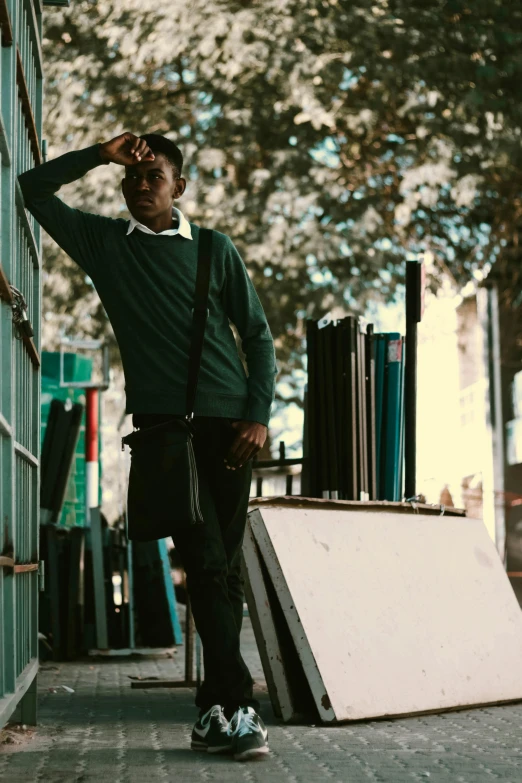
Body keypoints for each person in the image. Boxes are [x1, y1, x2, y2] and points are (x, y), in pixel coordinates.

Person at [19, 132, 277, 762]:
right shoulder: (106, 245)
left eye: (153, 176)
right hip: (166, 434)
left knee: (223, 569)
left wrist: (258, 414)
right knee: (208, 560)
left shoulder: (215, 251)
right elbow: (31, 191)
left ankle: (217, 710)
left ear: (178, 187)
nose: (141, 185)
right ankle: (235, 707)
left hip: (230, 430)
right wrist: (100, 154)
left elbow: (258, 335)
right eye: (131, 177)